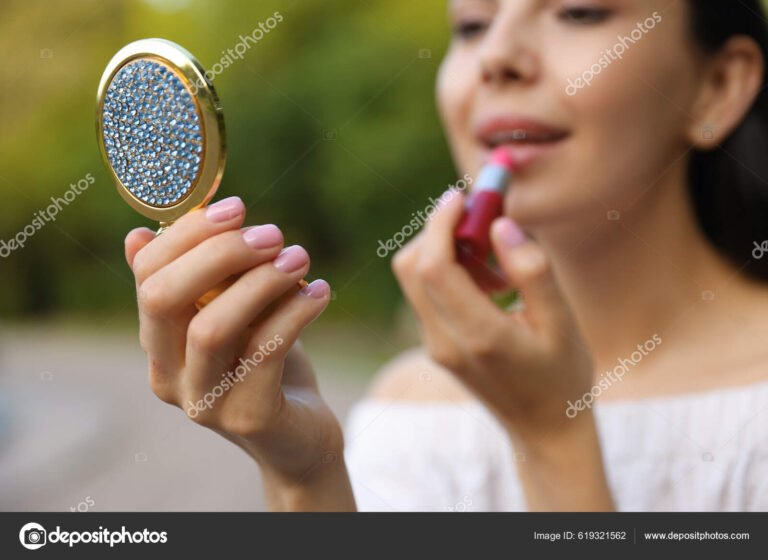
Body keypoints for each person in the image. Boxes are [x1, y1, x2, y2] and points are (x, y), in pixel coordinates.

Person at [124, 0, 768, 511]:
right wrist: (301, 474)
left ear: (718, 85)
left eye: (578, 11)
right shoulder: (406, 416)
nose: (497, 56)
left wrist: (553, 437)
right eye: (472, 24)